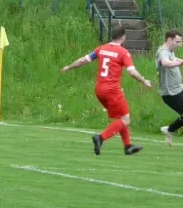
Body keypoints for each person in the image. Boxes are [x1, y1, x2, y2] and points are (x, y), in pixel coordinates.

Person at [61, 25, 152, 155]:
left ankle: (128, 146)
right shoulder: (123, 52)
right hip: (112, 90)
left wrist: (69, 67)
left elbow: (83, 60)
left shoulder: (101, 49)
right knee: (126, 119)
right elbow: (132, 72)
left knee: (121, 117)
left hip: (99, 90)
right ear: (123, 37)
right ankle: (100, 138)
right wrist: (144, 81)